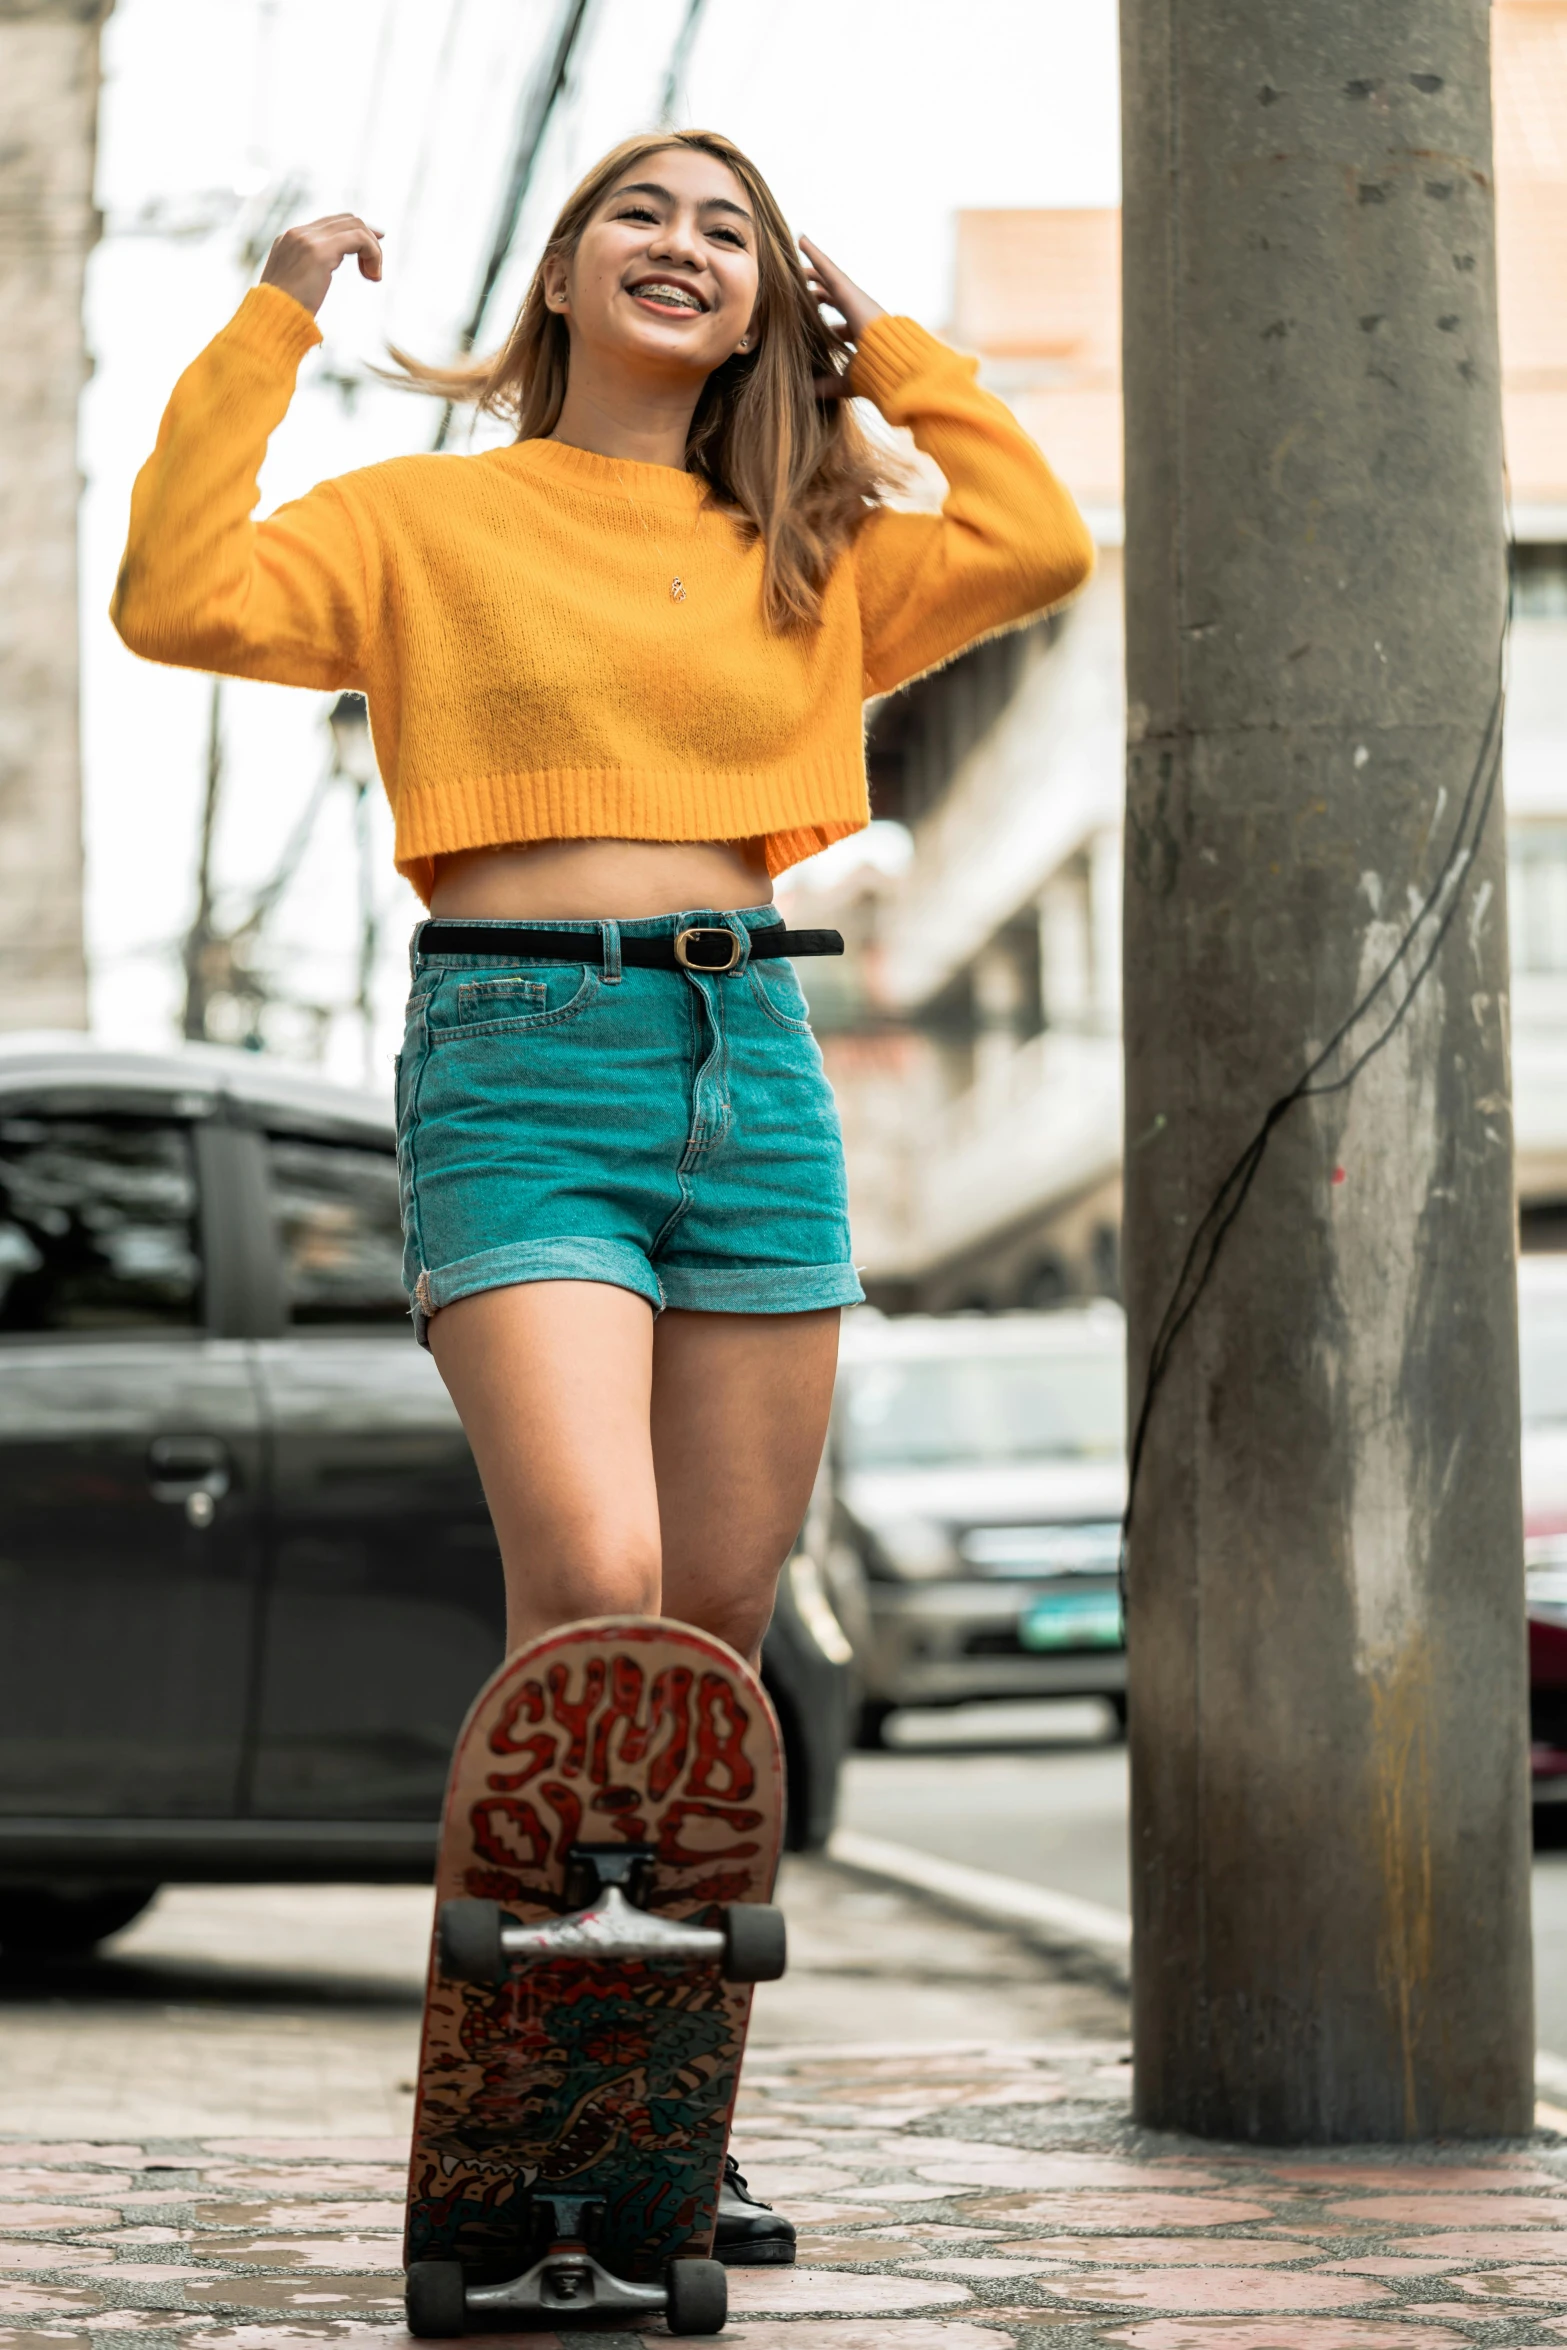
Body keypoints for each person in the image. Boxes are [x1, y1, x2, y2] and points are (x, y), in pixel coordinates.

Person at [112, 127, 1095, 2262]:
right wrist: (278, 309)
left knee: (711, 1670)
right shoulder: (420, 522)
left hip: (754, 1077)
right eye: (642, 214)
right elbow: (176, 591)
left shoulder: (807, 553)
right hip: (517, 1065)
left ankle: (655, 2116)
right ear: (561, 272)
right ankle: (524, 2079)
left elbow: (1032, 538)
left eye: (730, 231)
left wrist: (878, 339)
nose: (686, 246)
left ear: (765, 300)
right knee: (600, 1581)